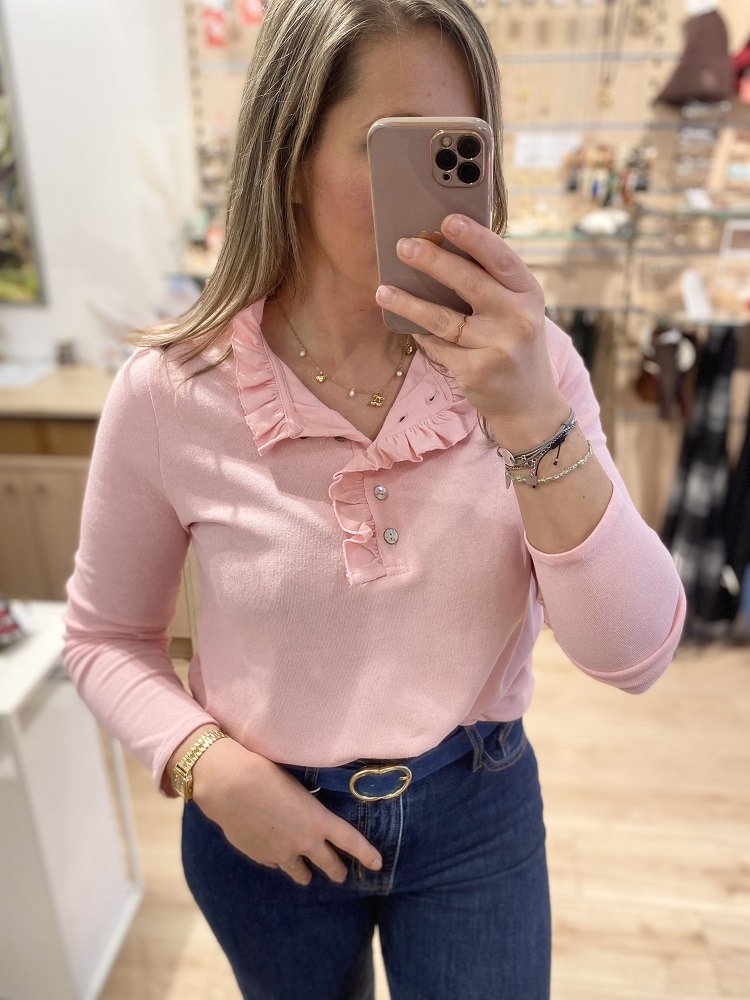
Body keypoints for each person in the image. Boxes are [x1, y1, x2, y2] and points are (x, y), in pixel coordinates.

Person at [62, 1, 686, 998]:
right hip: (266, 825)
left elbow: (636, 653)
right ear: (290, 158)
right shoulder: (175, 393)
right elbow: (103, 637)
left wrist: (531, 419)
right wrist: (206, 765)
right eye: (395, 149)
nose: (438, 198)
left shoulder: (532, 370)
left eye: (460, 149)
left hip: (476, 809)